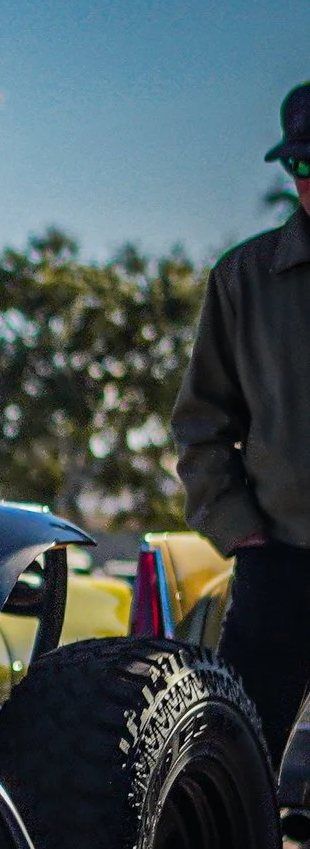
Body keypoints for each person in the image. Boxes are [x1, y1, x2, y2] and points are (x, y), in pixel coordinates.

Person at [172, 81, 310, 755]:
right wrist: (242, 533)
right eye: (302, 166)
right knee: (237, 762)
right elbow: (200, 425)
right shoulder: (242, 278)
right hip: (280, 565)